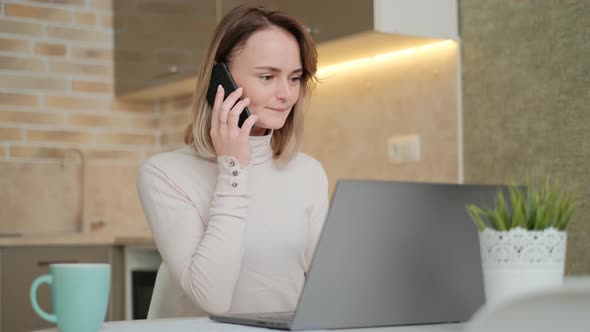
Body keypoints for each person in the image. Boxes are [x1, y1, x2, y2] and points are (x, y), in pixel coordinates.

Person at [137, 5, 329, 317]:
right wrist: (234, 170)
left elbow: (325, 285)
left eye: (294, 78)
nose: (287, 94)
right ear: (220, 80)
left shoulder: (308, 172)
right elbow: (212, 299)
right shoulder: (164, 173)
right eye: (268, 76)